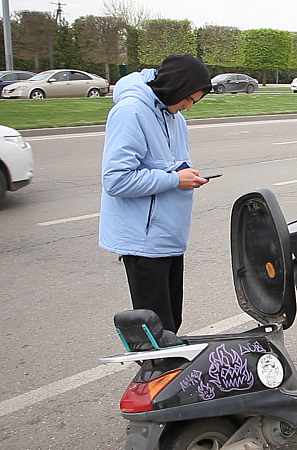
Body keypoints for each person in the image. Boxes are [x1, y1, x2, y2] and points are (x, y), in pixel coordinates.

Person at [99, 54, 213, 333]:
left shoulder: (173, 115)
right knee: (156, 330)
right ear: (174, 87)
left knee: (171, 323)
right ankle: (159, 375)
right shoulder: (131, 112)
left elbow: (169, 165)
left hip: (168, 235)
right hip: (143, 240)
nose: (187, 107)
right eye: (187, 99)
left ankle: (170, 370)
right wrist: (174, 179)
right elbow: (116, 180)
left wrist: (185, 175)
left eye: (194, 102)